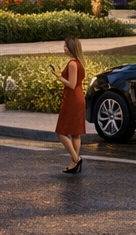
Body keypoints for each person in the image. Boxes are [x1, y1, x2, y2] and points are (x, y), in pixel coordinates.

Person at [55, 35, 86, 173]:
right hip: (79, 97)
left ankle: (76, 158)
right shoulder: (79, 62)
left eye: (66, 46)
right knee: (75, 133)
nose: (64, 48)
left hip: (72, 99)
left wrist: (59, 77)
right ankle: (74, 164)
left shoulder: (72, 63)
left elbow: (71, 84)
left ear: (71, 48)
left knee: (61, 132)